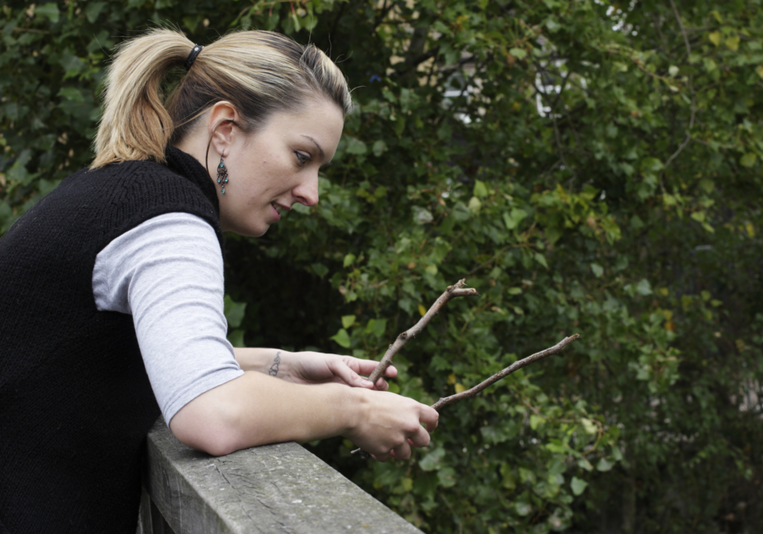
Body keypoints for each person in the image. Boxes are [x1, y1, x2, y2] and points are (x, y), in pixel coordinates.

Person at [0, 28, 438, 533]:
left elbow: (113, 356)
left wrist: (282, 368)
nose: (312, 194)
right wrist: (354, 407)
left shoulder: (126, 192)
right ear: (226, 128)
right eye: (302, 156)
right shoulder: (168, 219)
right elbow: (210, 413)